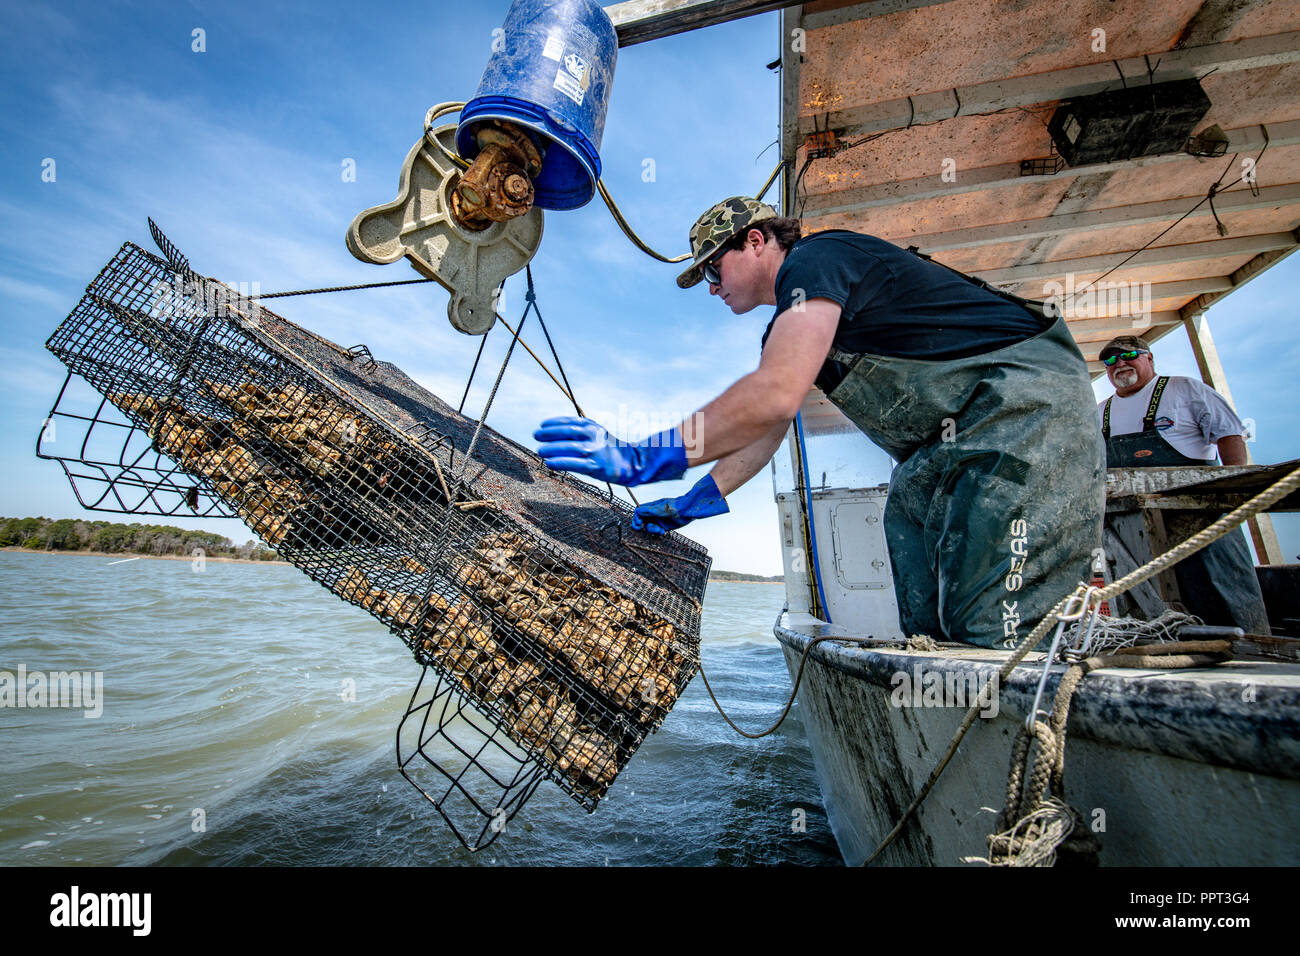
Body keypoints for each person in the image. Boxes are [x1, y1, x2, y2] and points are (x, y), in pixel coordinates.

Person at [534, 197, 1104, 648]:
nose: (711, 287)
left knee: (995, 625)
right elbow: (766, 428)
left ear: (755, 241)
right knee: (920, 578)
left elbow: (775, 396)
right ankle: (943, 697)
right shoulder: (791, 322)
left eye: (713, 268)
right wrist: (696, 499)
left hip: (1020, 411)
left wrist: (644, 456)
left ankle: (1014, 717)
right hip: (940, 451)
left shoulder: (817, 261)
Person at [1097, 334, 1269, 633]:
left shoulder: (1183, 390)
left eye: (1129, 355)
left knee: (1219, 587)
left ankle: (1244, 646)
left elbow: (1229, 433)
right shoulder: (1101, 412)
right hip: (1134, 529)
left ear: (1149, 358)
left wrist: (1233, 490)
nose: (1119, 364)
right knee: (1148, 601)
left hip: (1200, 516)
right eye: (1110, 360)